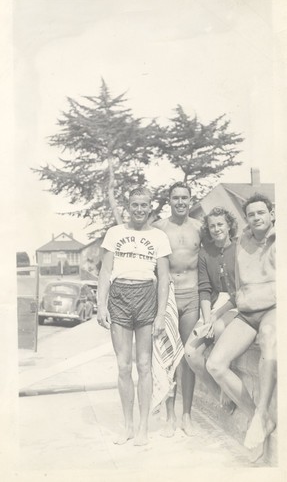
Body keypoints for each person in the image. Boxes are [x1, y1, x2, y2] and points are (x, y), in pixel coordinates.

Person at [97, 187, 171, 446]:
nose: (139, 209)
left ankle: (143, 428)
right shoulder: (115, 233)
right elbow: (105, 272)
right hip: (119, 296)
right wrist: (100, 305)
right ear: (128, 206)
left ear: (151, 207)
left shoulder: (159, 236)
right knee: (123, 366)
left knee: (144, 366)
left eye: (144, 205)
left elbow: (164, 278)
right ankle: (128, 426)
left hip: (146, 296)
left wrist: (161, 314)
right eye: (135, 204)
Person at [205, 193, 276, 460]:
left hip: (274, 309)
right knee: (215, 364)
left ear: (271, 213)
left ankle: (260, 415)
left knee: (269, 337)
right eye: (251, 214)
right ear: (246, 219)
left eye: (261, 212)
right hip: (247, 312)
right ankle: (258, 415)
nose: (256, 217)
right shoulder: (241, 243)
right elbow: (236, 289)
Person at [153, 181, 201, 436]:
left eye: (185, 197)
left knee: (188, 358)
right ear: (169, 200)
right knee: (169, 356)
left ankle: (187, 415)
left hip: (192, 296)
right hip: (169, 297)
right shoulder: (159, 228)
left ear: (190, 200)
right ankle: (170, 415)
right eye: (175, 198)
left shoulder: (199, 228)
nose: (181, 202)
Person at [185, 207, 238, 411]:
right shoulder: (205, 253)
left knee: (218, 328)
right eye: (212, 225)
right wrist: (207, 319)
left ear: (229, 225)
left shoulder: (239, 247)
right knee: (191, 353)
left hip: (236, 305)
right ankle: (218, 393)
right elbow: (205, 289)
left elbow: (239, 293)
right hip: (214, 305)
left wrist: (216, 316)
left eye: (220, 224)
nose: (216, 229)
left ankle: (227, 389)